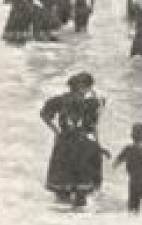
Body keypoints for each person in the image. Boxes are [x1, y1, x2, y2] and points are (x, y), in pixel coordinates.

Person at [40, 72, 106, 208]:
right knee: (82, 191)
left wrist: (56, 132)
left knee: (62, 191)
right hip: (83, 146)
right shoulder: (91, 103)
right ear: (85, 87)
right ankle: (78, 221)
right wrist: (99, 146)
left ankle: (60, 222)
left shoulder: (59, 100)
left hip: (64, 144)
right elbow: (93, 126)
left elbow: (44, 115)